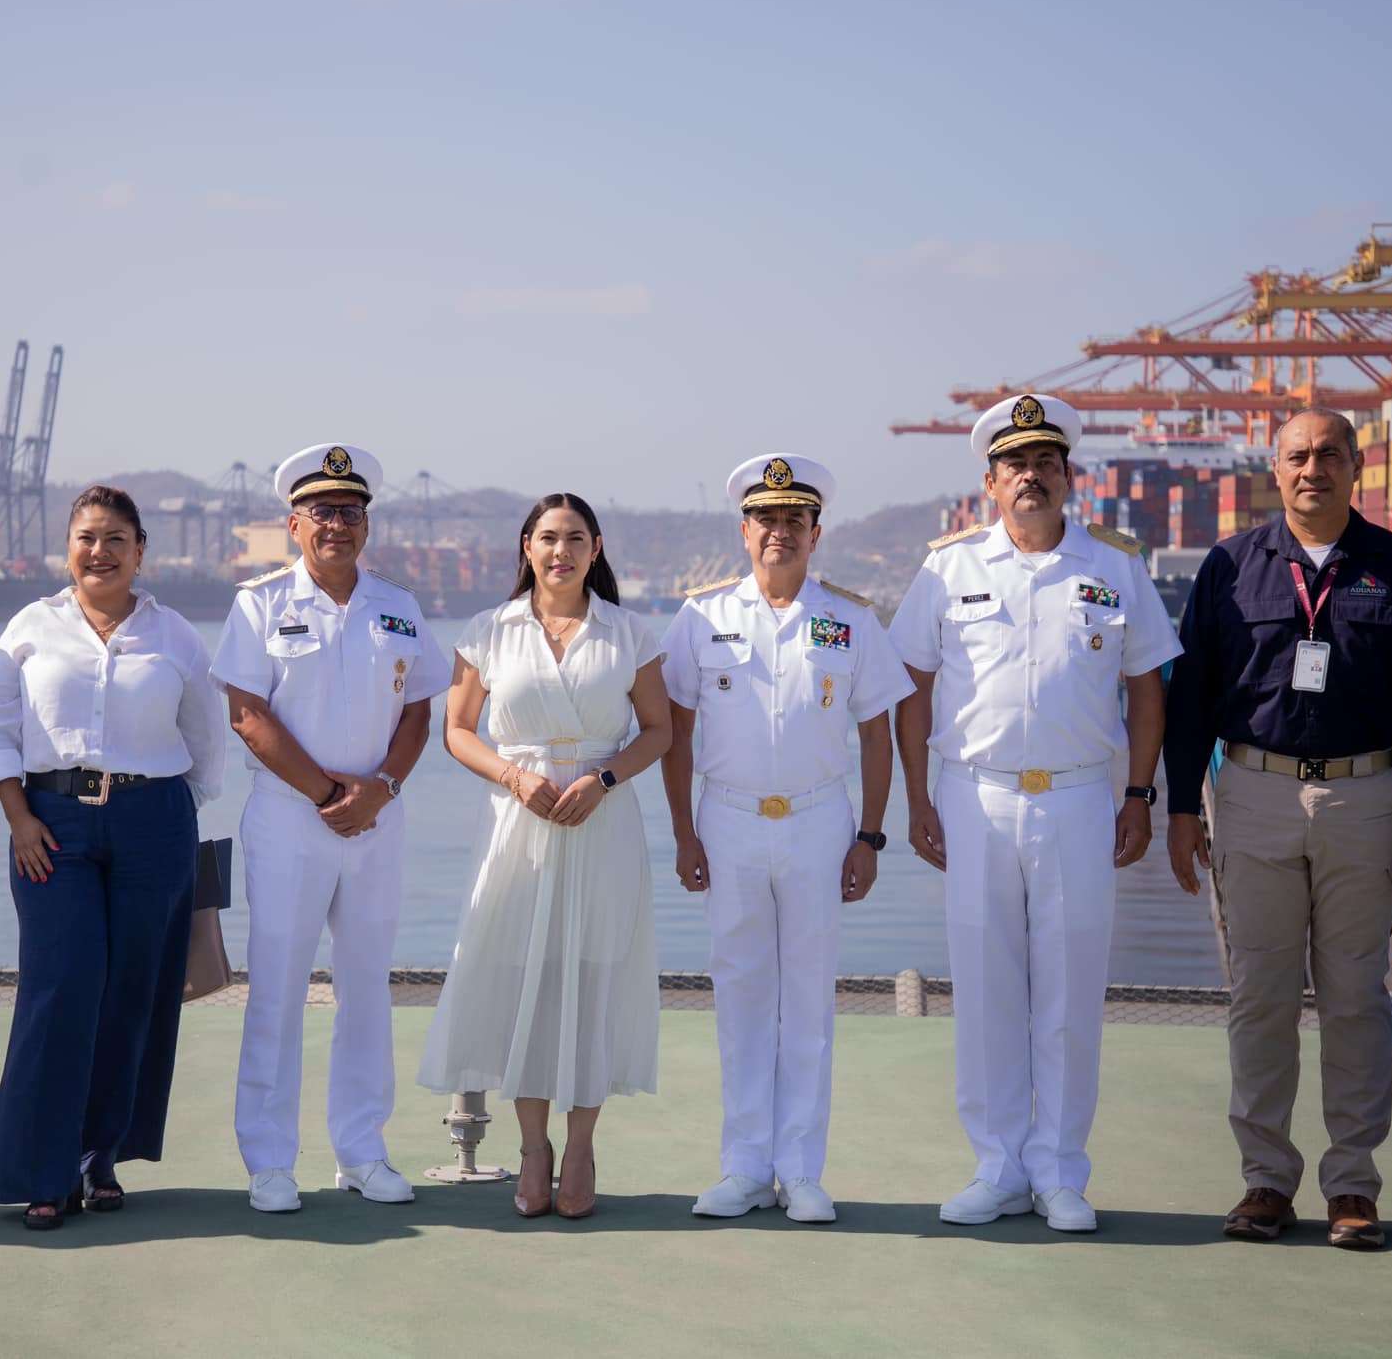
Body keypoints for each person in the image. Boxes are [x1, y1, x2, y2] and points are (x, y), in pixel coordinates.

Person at [1164, 406, 1392, 1250]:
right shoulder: (1228, 567)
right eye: (1297, 456)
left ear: (1357, 465)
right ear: (1275, 467)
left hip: (1366, 799)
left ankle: (1352, 1188)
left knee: (1354, 999)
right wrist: (1182, 809)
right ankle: (1265, 1182)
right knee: (1258, 996)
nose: (1312, 469)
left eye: (1329, 454)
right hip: (1252, 795)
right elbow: (1190, 702)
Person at [888, 394, 1181, 1234]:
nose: (1031, 477)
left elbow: (1147, 688)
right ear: (990, 482)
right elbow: (912, 689)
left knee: (1069, 991)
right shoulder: (947, 569)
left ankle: (1059, 1172)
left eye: (1046, 464)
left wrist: (1139, 794)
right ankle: (997, 1166)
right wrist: (918, 801)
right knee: (984, 989)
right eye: (1015, 466)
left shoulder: (1115, 567)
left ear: (1068, 477)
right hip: (975, 796)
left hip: (1083, 797)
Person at [660, 453, 909, 1225]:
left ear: (815, 532)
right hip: (727, 820)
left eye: (794, 520)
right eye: (766, 520)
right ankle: (741, 1168)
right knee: (739, 996)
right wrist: (682, 834)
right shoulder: (700, 617)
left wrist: (870, 834)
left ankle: (801, 1169)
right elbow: (672, 732)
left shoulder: (852, 618)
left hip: (817, 821)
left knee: (808, 999)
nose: (780, 532)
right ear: (744, 531)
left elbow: (879, 734)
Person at [0, 484, 224, 1230]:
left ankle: (100, 1154)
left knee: (136, 992)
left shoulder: (175, 635)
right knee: (60, 989)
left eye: (117, 538)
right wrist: (19, 817)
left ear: (141, 551)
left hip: (154, 824)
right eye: (87, 536)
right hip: (50, 826)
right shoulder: (28, 628)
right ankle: (43, 1174)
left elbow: (207, 742)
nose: (100, 550)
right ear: (68, 548)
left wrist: (171, 815)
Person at [418, 493, 671, 1218]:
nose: (561, 551)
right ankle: (534, 1148)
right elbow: (459, 731)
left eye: (576, 539)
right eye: (548, 538)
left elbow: (657, 731)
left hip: (602, 819)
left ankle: (583, 1143)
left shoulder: (630, 633)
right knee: (525, 975)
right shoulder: (487, 630)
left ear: (597, 550)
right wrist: (514, 776)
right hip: (518, 819)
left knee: (592, 977)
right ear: (526, 546)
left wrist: (604, 778)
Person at [211, 443, 449, 1213]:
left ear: (366, 523)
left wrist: (379, 791)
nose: (337, 525)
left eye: (349, 512)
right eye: (322, 513)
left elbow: (419, 710)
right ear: (294, 523)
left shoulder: (398, 606)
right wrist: (328, 796)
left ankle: (362, 1149)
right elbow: (247, 715)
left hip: (377, 820)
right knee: (276, 989)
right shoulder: (260, 605)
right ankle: (271, 1159)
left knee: (366, 989)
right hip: (290, 820)